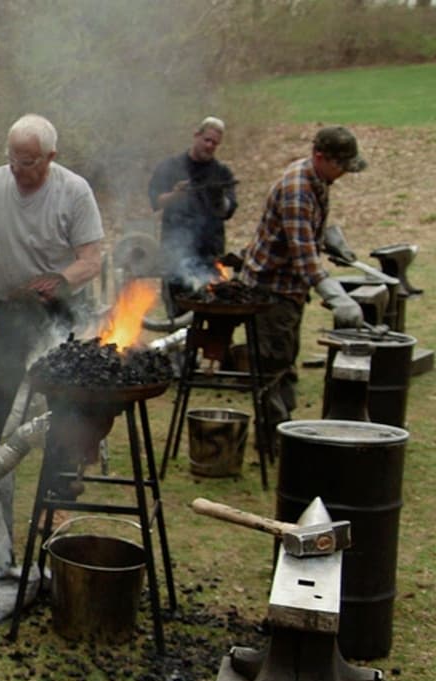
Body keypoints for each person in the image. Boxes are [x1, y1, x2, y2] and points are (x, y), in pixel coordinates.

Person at [0, 114, 104, 468]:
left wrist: (59, 280)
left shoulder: (73, 191)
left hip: (63, 308)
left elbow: (91, 260)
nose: (15, 168)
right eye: (11, 158)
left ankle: (67, 468)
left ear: (50, 157)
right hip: (13, 306)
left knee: (67, 392)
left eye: (25, 162)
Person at [239, 125, 366, 454]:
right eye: (340, 166)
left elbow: (308, 233)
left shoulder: (318, 180)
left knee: (285, 361)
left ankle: (284, 432)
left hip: (288, 291)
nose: (343, 175)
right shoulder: (297, 188)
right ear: (320, 156)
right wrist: (336, 296)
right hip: (269, 292)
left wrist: (330, 239)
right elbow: (304, 259)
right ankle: (271, 443)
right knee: (273, 365)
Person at [148, 116, 238, 313]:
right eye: (207, 140)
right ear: (196, 135)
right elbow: (155, 201)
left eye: (215, 143)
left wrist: (218, 199)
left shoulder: (221, 173)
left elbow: (228, 210)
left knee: (213, 314)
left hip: (210, 257)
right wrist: (176, 195)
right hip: (175, 255)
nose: (210, 146)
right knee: (177, 315)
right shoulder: (170, 167)